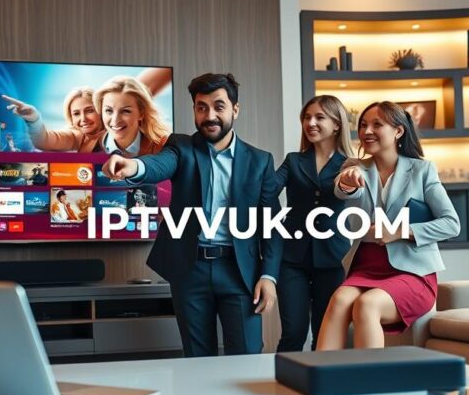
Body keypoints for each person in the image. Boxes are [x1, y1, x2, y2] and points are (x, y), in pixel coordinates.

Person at [102, 73, 282, 357]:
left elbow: (271, 225)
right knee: (197, 359)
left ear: (235, 109)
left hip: (239, 272)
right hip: (190, 269)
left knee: (247, 355)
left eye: (218, 106)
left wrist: (269, 276)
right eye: (201, 107)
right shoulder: (181, 147)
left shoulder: (260, 161)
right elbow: (159, 164)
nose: (210, 115)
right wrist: (132, 167)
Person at [316, 101, 460, 350]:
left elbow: (451, 224)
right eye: (362, 125)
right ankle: (318, 380)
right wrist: (347, 182)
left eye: (376, 125)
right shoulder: (355, 168)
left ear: (398, 131)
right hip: (366, 267)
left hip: (412, 273)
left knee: (367, 305)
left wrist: (401, 231)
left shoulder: (422, 170)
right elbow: (342, 189)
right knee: (339, 300)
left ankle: (370, 384)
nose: (367, 131)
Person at [273, 95, 354, 352]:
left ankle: (322, 387)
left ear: (337, 124)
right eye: (307, 117)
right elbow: (267, 190)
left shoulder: (350, 165)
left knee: (324, 334)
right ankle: (283, 383)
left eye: (319, 117)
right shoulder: (293, 160)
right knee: (293, 332)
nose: (311, 123)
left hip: (332, 259)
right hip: (291, 259)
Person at [4, 67, 172, 153]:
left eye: (89, 110)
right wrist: (34, 119)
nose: (83, 118)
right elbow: (45, 140)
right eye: (76, 113)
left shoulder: (121, 121)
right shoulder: (78, 136)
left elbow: (143, 85)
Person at [94, 76, 170, 157]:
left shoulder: (162, 147)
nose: (115, 120)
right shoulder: (89, 146)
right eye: (109, 111)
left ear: (141, 113)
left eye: (125, 111)